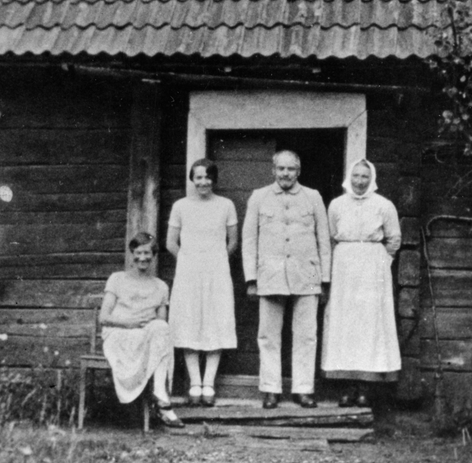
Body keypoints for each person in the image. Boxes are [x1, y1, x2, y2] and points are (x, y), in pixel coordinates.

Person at [242, 150, 331, 409]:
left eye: (291, 169)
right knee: (268, 335)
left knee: (306, 335)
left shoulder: (313, 197)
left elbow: (324, 241)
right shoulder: (259, 197)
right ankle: (271, 389)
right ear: (273, 170)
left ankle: (303, 389)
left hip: (307, 274)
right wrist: (251, 278)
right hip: (270, 275)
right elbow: (249, 241)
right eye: (281, 168)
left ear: (298, 171)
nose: (285, 173)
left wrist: (324, 279)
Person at [321, 159, 402, 412]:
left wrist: (381, 262)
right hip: (344, 267)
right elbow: (331, 236)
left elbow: (394, 239)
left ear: (372, 179)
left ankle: (365, 389)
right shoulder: (336, 205)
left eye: (365, 176)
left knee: (369, 323)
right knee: (345, 324)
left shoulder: (383, 205)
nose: (359, 181)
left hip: (372, 268)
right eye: (355, 175)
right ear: (349, 177)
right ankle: (347, 388)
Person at [167, 158, 239, 407]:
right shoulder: (180, 206)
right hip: (189, 274)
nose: (203, 182)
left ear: (214, 179)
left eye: (208, 177)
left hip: (216, 273)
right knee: (190, 322)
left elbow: (232, 242)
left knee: (215, 322)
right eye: (198, 177)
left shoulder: (226, 205)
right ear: (192, 179)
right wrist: (189, 261)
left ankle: (209, 383)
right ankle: (194, 383)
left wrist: (215, 261)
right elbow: (170, 243)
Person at [99, 233, 184, 428]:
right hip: (118, 333)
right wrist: (129, 323)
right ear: (132, 254)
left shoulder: (161, 286)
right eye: (138, 253)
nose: (142, 258)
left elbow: (161, 323)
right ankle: (163, 403)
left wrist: (146, 325)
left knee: (162, 328)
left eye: (147, 253)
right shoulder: (117, 279)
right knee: (158, 334)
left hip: (144, 336)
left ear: (154, 255)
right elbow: (103, 318)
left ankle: (159, 392)